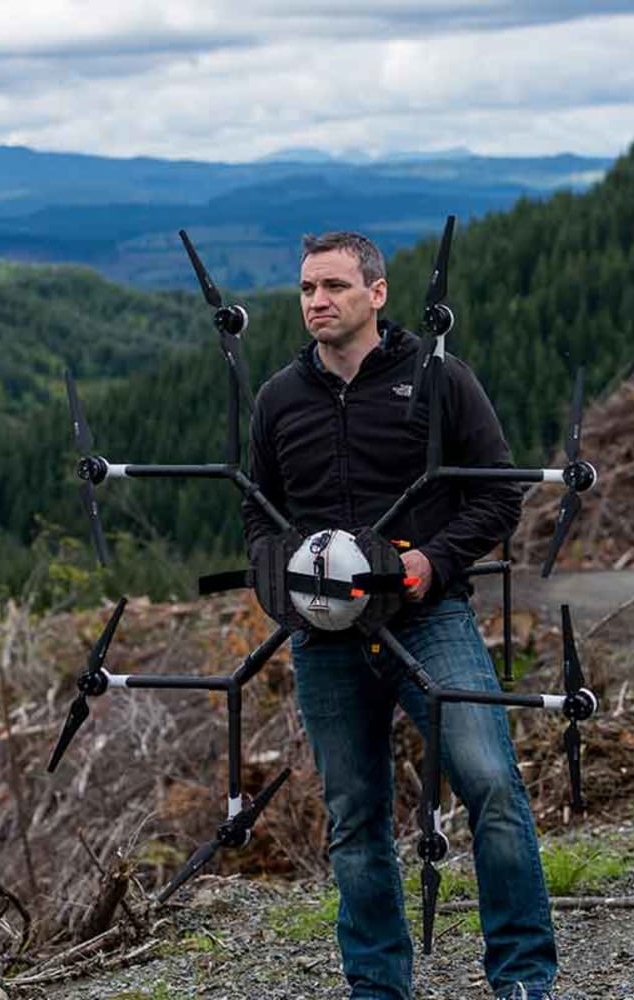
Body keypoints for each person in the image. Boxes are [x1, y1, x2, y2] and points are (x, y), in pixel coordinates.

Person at [241, 231, 559, 1000]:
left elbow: (498, 495)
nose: (317, 302)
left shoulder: (442, 380)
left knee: (490, 784)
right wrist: (279, 587)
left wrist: (428, 564)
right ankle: (378, 987)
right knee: (355, 817)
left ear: (376, 294)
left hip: (429, 619)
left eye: (335, 288)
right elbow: (258, 517)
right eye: (308, 289)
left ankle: (523, 979)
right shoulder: (279, 398)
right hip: (324, 639)